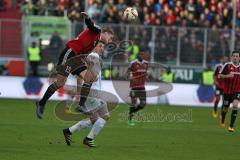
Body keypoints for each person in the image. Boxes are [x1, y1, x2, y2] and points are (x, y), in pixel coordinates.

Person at [36, 12, 113, 119]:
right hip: (70, 53)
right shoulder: (98, 31)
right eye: (110, 37)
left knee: (91, 78)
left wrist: (86, 63)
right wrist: (87, 18)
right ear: (105, 33)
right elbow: (91, 25)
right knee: (60, 83)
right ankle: (41, 103)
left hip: (77, 58)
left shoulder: (95, 42)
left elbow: (84, 52)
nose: (110, 40)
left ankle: (81, 105)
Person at [62, 42, 109, 147]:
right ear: (94, 46)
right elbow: (92, 77)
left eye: (103, 47)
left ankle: (69, 131)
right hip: (93, 93)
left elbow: (80, 77)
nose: (102, 48)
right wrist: (93, 77)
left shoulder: (88, 57)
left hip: (90, 93)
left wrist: (80, 91)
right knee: (105, 116)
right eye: (100, 46)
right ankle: (88, 139)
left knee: (94, 119)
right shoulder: (94, 56)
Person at [218, 51, 240, 132]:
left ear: (239, 58)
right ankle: (222, 118)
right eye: (234, 56)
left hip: (236, 92)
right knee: (225, 109)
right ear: (231, 57)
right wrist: (227, 76)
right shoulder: (227, 65)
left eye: (237, 56)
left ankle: (231, 126)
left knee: (235, 105)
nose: (235, 57)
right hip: (227, 92)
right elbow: (219, 76)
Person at [127, 51, 148, 126]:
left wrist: (147, 77)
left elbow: (146, 73)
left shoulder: (146, 63)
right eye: (140, 54)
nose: (142, 56)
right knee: (133, 103)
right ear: (138, 55)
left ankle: (131, 113)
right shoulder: (133, 63)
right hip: (134, 87)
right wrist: (130, 76)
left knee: (143, 104)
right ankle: (130, 119)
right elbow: (128, 71)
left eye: (143, 54)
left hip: (142, 87)